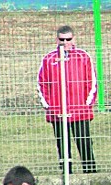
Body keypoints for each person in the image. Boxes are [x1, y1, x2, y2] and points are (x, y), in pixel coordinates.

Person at [38, 25, 98, 174]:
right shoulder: (48, 59)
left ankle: (90, 172)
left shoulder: (83, 57)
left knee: (84, 143)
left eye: (68, 39)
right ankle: (66, 174)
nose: (65, 42)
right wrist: (49, 106)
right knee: (62, 145)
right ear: (56, 39)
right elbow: (41, 84)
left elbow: (92, 82)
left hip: (79, 111)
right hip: (57, 112)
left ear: (74, 39)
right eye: (62, 39)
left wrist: (86, 105)